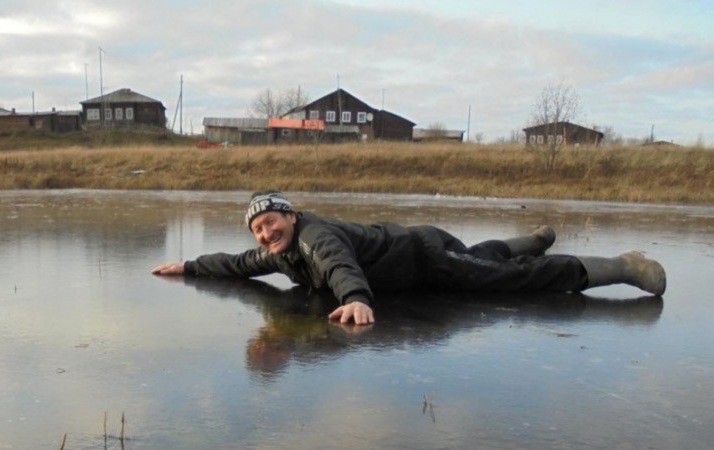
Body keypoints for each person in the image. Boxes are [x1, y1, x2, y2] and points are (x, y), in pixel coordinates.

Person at [151, 191, 667, 325]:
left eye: (271, 222)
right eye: (259, 229)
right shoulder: (281, 252)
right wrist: (190, 265)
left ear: (290, 216)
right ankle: (531, 240)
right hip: (421, 259)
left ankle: (622, 267)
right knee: (481, 260)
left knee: (506, 281)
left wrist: (354, 298)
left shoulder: (313, 237)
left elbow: (337, 265)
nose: (265, 234)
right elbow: (240, 264)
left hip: (423, 255)